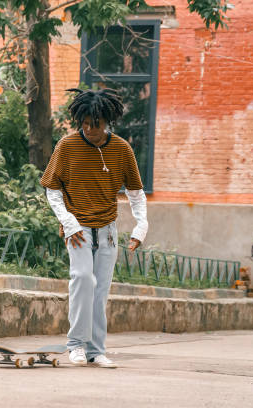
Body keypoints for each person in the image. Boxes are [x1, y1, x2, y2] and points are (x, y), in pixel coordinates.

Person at [40, 88, 148, 368]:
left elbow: (136, 194)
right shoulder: (67, 146)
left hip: (108, 228)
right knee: (83, 279)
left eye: (95, 124)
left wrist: (140, 228)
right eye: (85, 123)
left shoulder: (122, 149)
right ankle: (75, 344)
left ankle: (96, 350)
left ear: (107, 121)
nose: (89, 129)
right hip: (78, 228)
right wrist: (68, 222)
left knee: (101, 290)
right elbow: (52, 190)